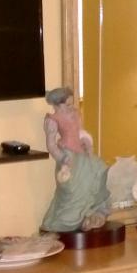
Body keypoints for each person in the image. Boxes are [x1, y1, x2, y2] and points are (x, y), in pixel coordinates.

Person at [39, 87, 110, 233]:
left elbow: (80, 131)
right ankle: (69, 221)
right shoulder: (52, 120)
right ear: (57, 105)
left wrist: (86, 141)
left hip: (81, 153)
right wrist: (62, 158)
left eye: (72, 103)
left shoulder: (75, 113)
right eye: (67, 104)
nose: (71, 107)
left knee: (98, 169)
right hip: (67, 155)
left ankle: (93, 212)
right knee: (71, 188)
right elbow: (51, 145)